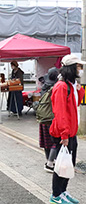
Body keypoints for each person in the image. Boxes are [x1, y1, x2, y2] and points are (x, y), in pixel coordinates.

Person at [48, 54, 85, 204]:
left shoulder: (70, 85)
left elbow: (76, 104)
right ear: (71, 68)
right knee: (62, 165)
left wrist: (79, 90)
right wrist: (64, 135)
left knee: (69, 165)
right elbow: (61, 112)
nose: (80, 69)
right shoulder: (61, 86)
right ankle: (56, 195)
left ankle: (62, 192)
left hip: (70, 132)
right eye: (78, 67)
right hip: (63, 133)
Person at [38, 67, 59, 173]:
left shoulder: (44, 86)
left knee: (47, 142)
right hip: (51, 118)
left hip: (42, 118)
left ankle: (48, 161)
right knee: (55, 141)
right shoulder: (56, 88)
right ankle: (50, 163)